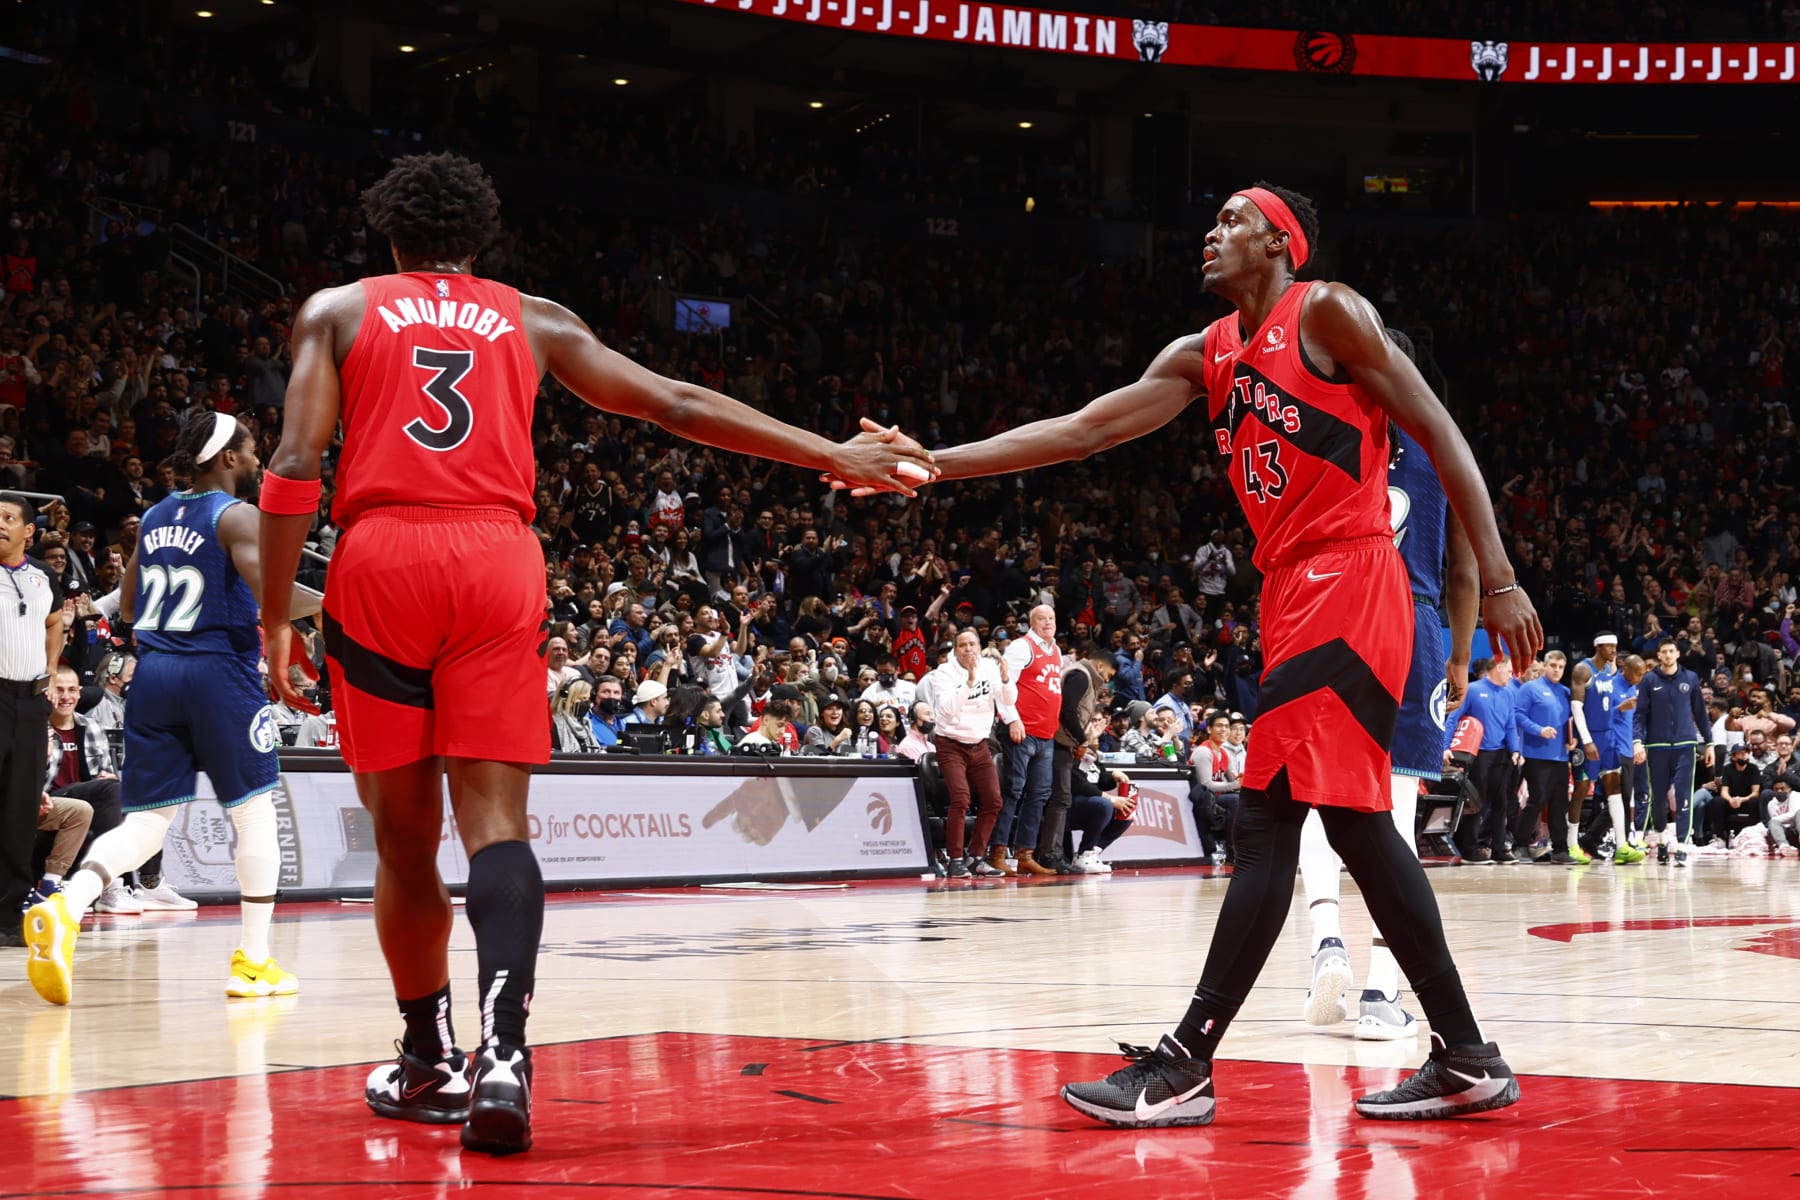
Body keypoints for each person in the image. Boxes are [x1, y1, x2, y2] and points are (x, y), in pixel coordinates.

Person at [255, 153, 934, 1156]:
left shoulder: (339, 309)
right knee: (497, 827)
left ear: (391, 238)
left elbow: (292, 464)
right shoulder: (534, 319)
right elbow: (675, 403)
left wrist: (276, 613)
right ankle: (506, 1057)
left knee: (403, 839)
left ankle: (427, 1057)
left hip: (381, 558)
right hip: (497, 560)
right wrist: (832, 452)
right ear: (479, 239)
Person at [913, 183, 1538, 1125]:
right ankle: (1465, 1055)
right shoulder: (1201, 354)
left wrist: (1498, 578)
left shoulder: (1327, 311)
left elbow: (1440, 430)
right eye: (1211, 220)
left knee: (1267, 822)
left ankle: (1187, 1063)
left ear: (1281, 243)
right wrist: (937, 460)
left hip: (1351, 577)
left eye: (1234, 220)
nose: (1211, 232)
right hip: (1289, 589)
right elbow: (1084, 430)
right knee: (1357, 826)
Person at [24, 413, 298, 1006]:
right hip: (219, 673)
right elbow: (272, 595)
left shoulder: (153, 517)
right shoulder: (236, 514)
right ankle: (254, 963)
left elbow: (128, 606)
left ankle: (67, 905)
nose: (257, 461)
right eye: (252, 451)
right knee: (254, 815)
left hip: (154, 677)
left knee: (147, 823)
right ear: (228, 457)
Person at [1296, 325, 1479, 1038]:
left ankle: (1325, 943)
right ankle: (1381, 991)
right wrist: (1459, 657)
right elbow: (1465, 566)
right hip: (1416, 624)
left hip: (1335, 615)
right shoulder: (1439, 440)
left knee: (1320, 798)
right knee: (1396, 809)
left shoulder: (1327, 431)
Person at [1, 492, 69, 949]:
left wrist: (50, 671)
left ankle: (9, 917)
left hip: (29, 703)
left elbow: (54, 622)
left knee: (19, 810)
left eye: (8, 518)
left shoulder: (43, 575)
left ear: (29, 531)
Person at [925, 630, 1014, 877]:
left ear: (979, 647)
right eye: (962, 645)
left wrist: (1005, 680)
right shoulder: (944, 672)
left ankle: (975, 857)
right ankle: (955, 860)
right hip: (950, 743)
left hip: (979, 743)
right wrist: (970, 682)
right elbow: (947, 709)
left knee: (994, 801)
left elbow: (1008, 700)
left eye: (972, 644)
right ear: (955, 650)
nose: (968, 649)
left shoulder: (989, 667)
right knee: (961, 799)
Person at [993, 605, 1063, 877]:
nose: (1048, 622)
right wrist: (1012, 719)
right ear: (1032, 623)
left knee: (1039, 795)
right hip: (1022, 731)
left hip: (1046, 735)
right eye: (1042, 619)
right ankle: (997, 853)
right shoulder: (1021, 647)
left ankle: (1025, 855)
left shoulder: (1056, 650)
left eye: (1051, 618)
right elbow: (1003, 686)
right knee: (1013, 791)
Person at [1631, 638, 1712, 865]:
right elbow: (1640, 715)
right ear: (1659, 655)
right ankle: (1662, 840)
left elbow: (1700, 713)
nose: (1667, 655)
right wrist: (1637, 741)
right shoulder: (1649, 680)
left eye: (1671, 651)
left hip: (1685, 745)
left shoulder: (1690, 678)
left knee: (1684, 796)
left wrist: (1710, 743)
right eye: (1664, 652)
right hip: (1656, 746)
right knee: (1658, 799)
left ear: (1677, 654)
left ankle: (1683, 845)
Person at [1570, 633, 1643, 864]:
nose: (1613, 650)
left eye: (1615, 646)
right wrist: (1586, 740)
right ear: (1598, 647)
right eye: (1609, 646)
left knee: (1615, 790)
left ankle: (1622, 846)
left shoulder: (1610, 674)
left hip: (1608, 739)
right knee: (1582, 789)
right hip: (1589, 738)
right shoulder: (1583, 669)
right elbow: (1576, 707)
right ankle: (1572, 845)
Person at [1513, 651, 1582, 865]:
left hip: (1560, 757)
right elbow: (1517, 714)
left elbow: (1572, 721)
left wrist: (1573, 739)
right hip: (1535, 755)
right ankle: (1520, 846)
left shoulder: (1565, 692)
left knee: (1560, 805)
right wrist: (1538, 730)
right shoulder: (1530, 688)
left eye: (1560, 667)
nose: (1556, 670)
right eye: (1553, 665)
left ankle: (1560, 849)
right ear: (1544, 666)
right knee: (1537, 800)